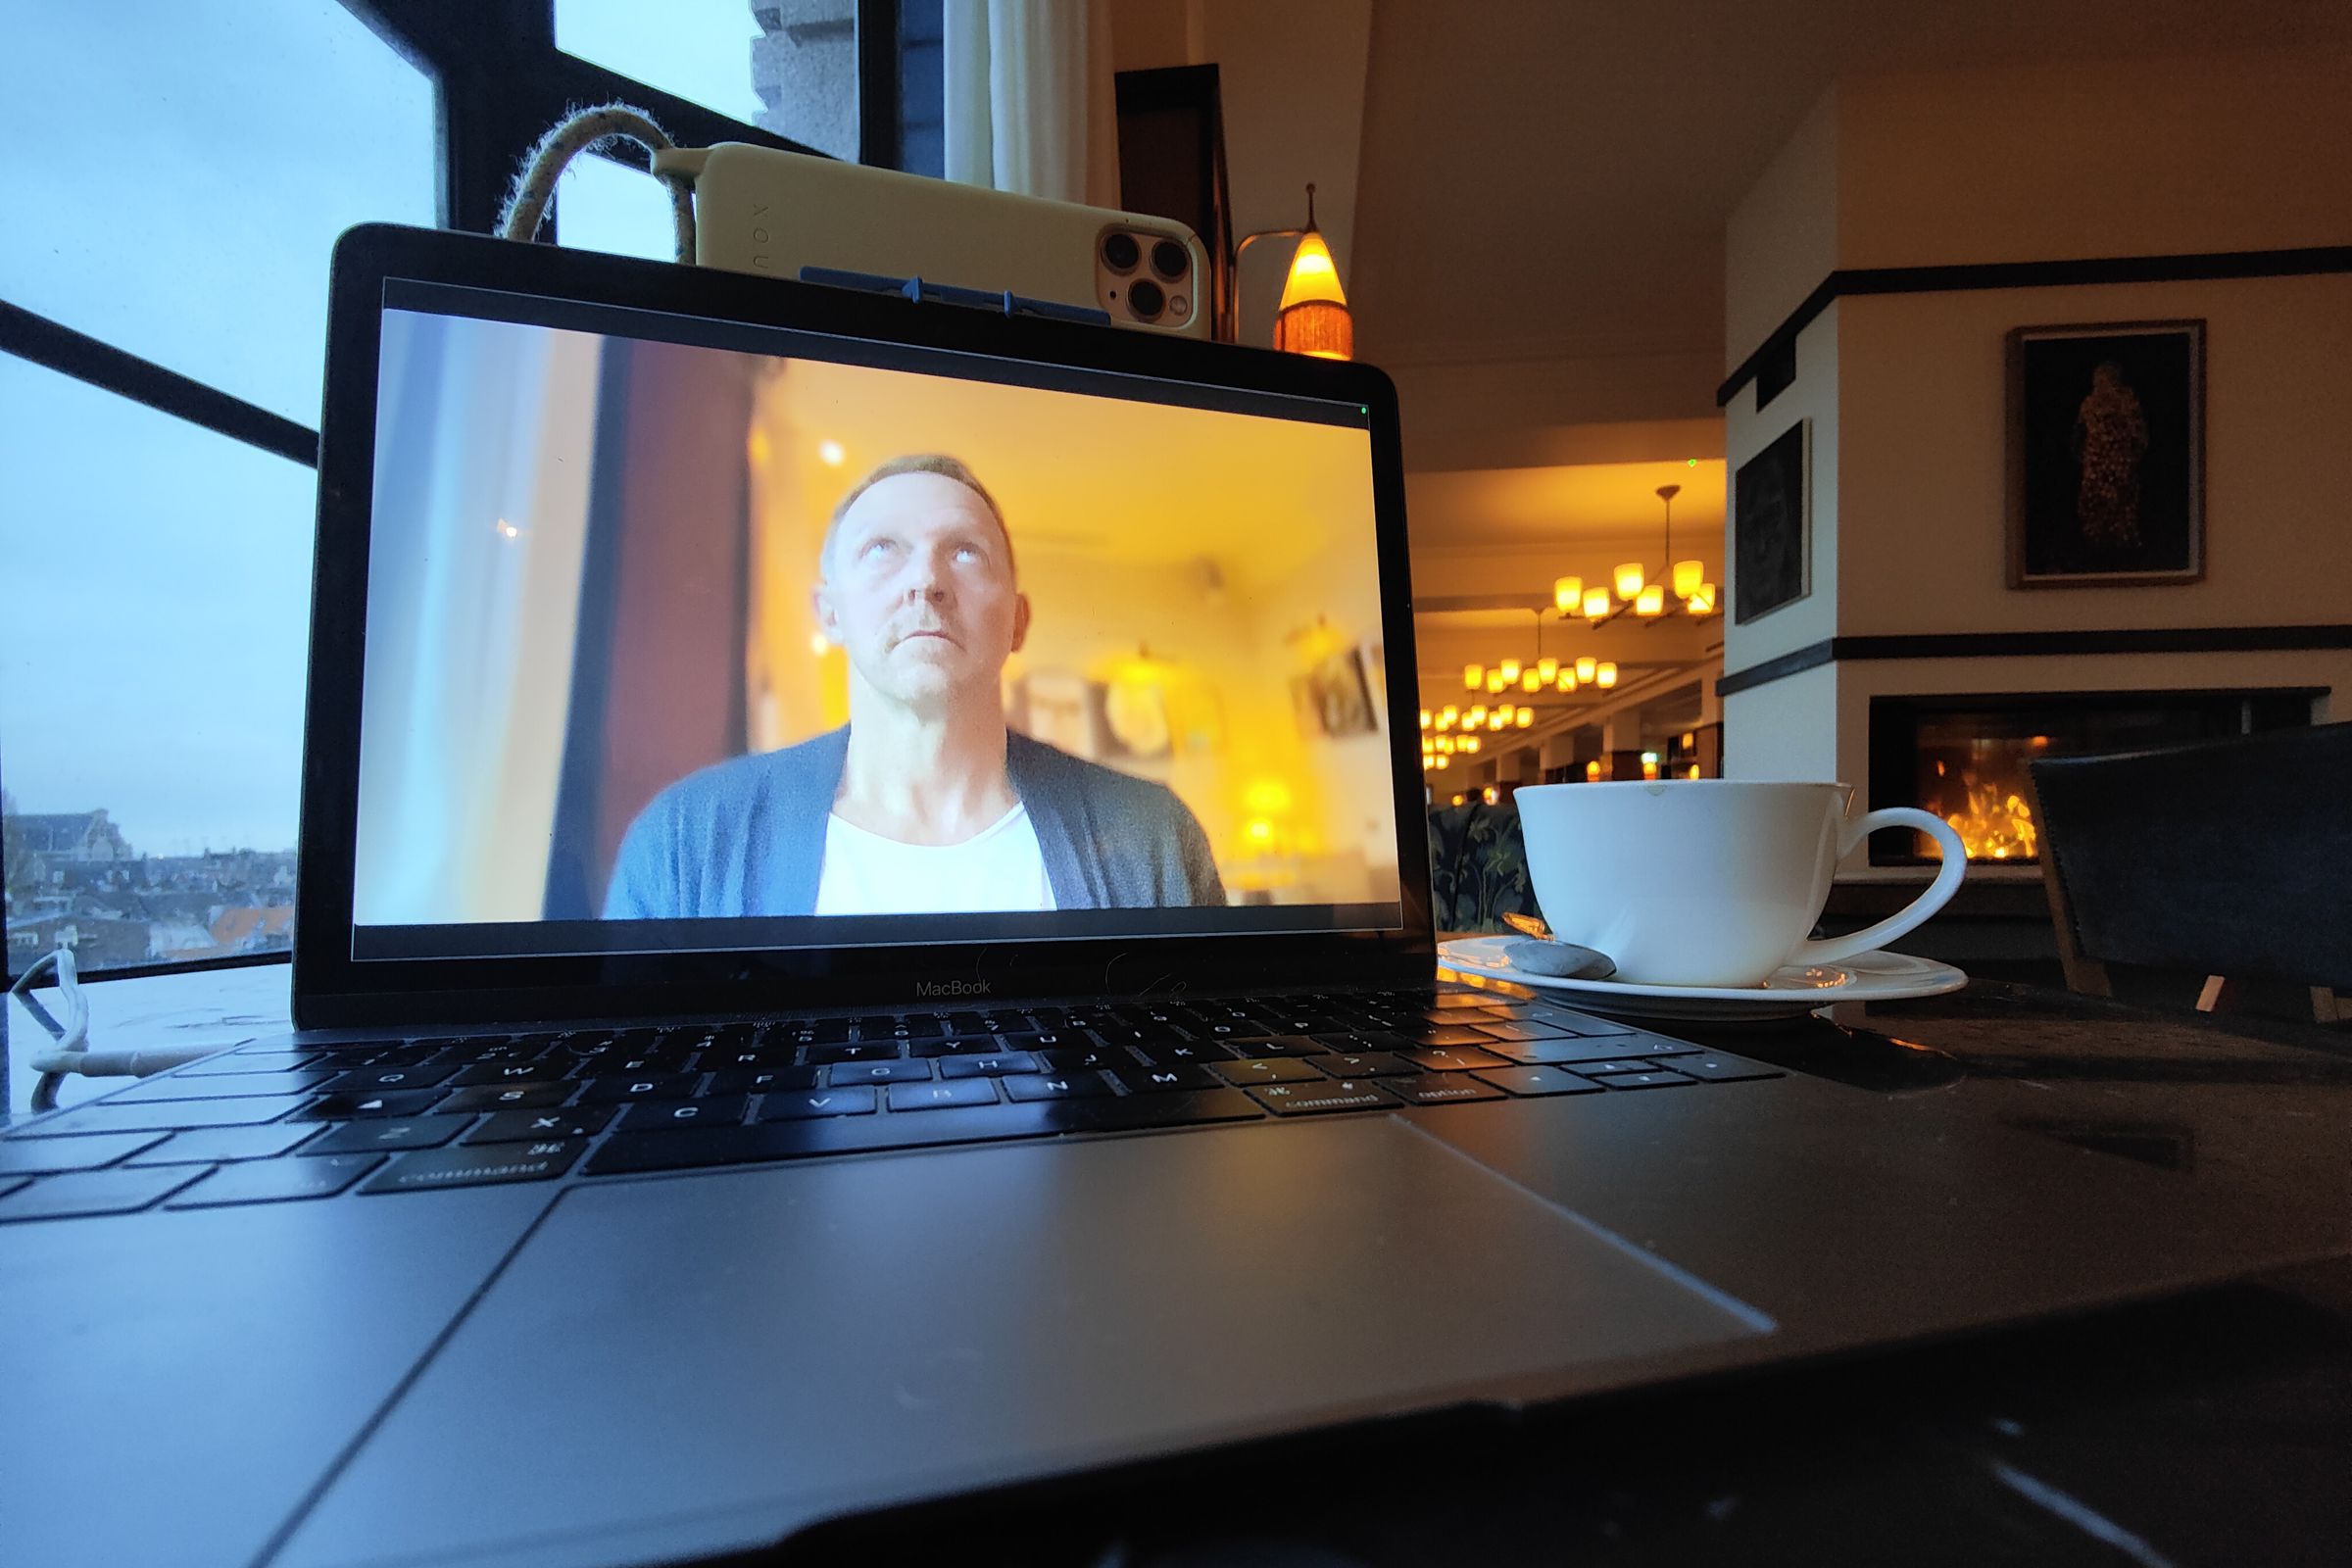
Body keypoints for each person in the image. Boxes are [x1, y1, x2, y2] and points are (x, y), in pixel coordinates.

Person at [604, 454, 1226, 918]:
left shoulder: (1154, 837)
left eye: (964, 552)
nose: (925, 579)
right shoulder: (685, 839)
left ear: (1018, 620)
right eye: (882, 549)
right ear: (829, 614)